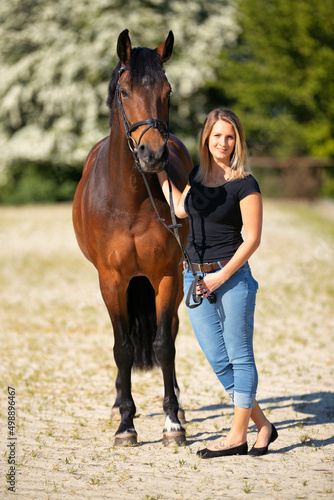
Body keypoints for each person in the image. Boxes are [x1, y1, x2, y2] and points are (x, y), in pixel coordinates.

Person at [157, 108, 278, 458]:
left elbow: (252, 239)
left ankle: (236, 436)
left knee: (240, 357)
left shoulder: (245, 183)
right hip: (194, 277)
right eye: (216, 136)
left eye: (229, 136)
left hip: (230, 277)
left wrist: (220, 277)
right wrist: (161, 172)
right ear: (206, 139)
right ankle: (263, 425)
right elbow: (180, 209)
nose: (222, 143)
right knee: (218, 359)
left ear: (236, 140)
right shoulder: (196, 175)